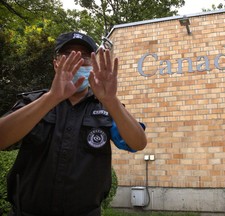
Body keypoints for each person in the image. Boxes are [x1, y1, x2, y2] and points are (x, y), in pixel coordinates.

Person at [0, 31, 147, 216]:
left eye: (84, 57)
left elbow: (138, 143)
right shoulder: (34, 102)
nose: (77, 61)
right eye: (68, 55)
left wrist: (111, 101)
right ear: (56, 64)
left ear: (93, 65)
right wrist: (52, 97)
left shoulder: (106, 106)